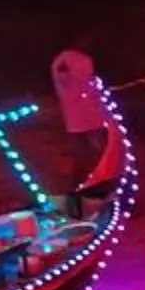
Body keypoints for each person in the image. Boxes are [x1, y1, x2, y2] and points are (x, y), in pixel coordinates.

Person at [49, 39, 115, 214]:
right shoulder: (81, 60)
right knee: (99, 155)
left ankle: (79, 193)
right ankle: (96, 192)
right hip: (89, 116)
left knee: (84, 157)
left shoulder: (59, 61)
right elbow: (86, 86)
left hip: (75, 118)